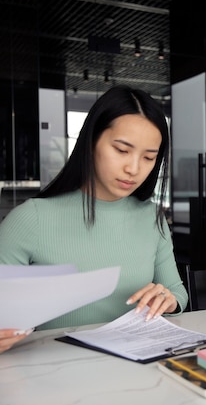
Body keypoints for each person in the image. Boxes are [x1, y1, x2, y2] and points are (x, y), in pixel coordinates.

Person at [0, 85, 188, 352]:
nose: (133, 169)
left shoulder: (150, 217)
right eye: (122, 150)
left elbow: (176, 290)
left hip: (136, 367)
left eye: (148, 158)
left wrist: (168, 300)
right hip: (54, 374)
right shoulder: (31, 219)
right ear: (91, 142)